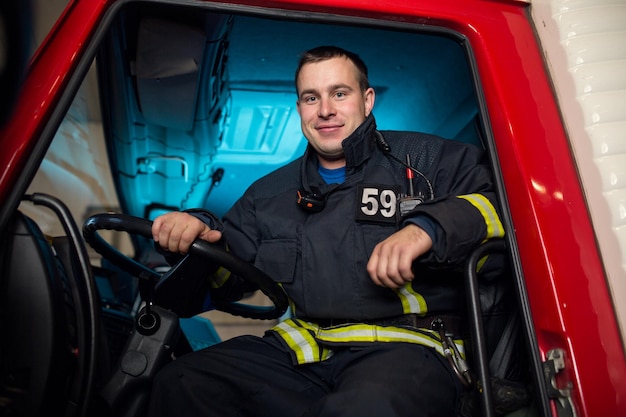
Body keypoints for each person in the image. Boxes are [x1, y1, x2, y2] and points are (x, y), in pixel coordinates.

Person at [148, 45, 505, 417]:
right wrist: (196, 233)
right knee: (182, 382)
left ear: (367, 101)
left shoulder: (428, 159)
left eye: (339, 93)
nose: (325, 110)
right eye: (310, 97)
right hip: (305, 347)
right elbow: (225, 278)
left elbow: (504, 208)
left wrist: (427, 228)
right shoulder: (267, 194)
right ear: (299, 108)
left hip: (409, 346)